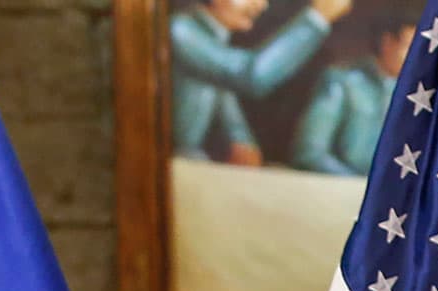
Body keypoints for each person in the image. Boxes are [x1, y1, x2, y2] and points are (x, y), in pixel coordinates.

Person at [171, 0, 349, 164]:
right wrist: (317, 19)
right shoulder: (180, 30)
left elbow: (225, 96)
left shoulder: (210, 40)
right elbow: (252, 75)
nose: (261, 5)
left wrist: (240, 139)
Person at [290, 7, 409, 175]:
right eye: (412, 48)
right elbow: (311, 152)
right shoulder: (343, 81)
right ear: (387, 43)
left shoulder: (424, 97)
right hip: (342, 190)